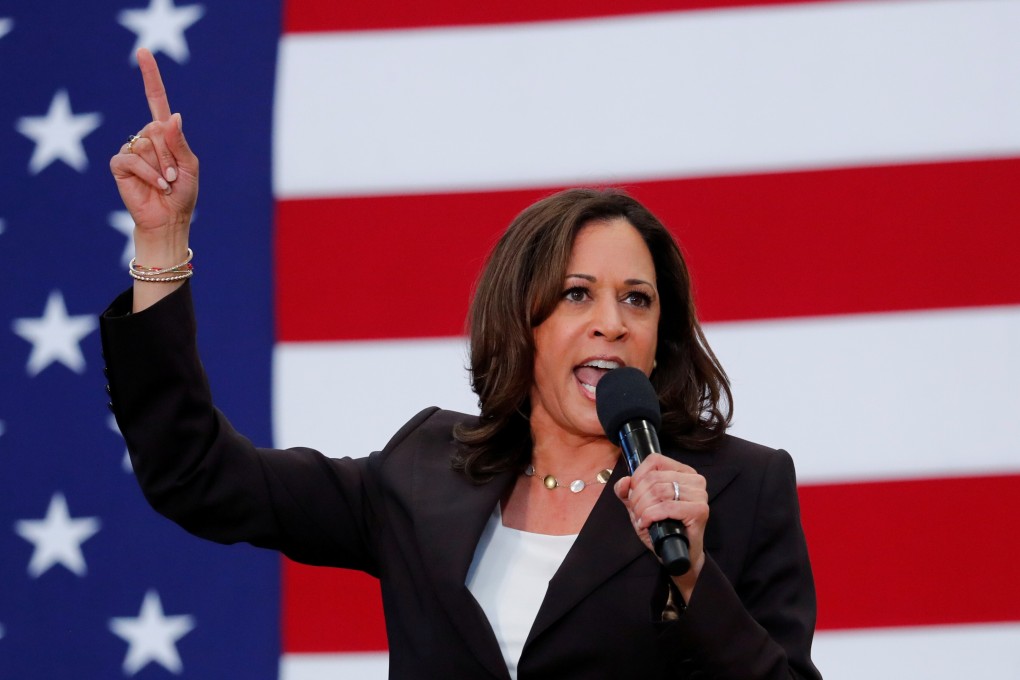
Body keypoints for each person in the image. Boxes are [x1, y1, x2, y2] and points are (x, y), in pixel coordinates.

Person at [102, 48, 822, 679]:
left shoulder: (737, 488)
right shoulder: (427, 468)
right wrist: (162, 247)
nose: (612, 320)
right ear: (521, 323)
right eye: (578, 294)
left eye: (637, 299)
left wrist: (694, 572)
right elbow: (197, 475)